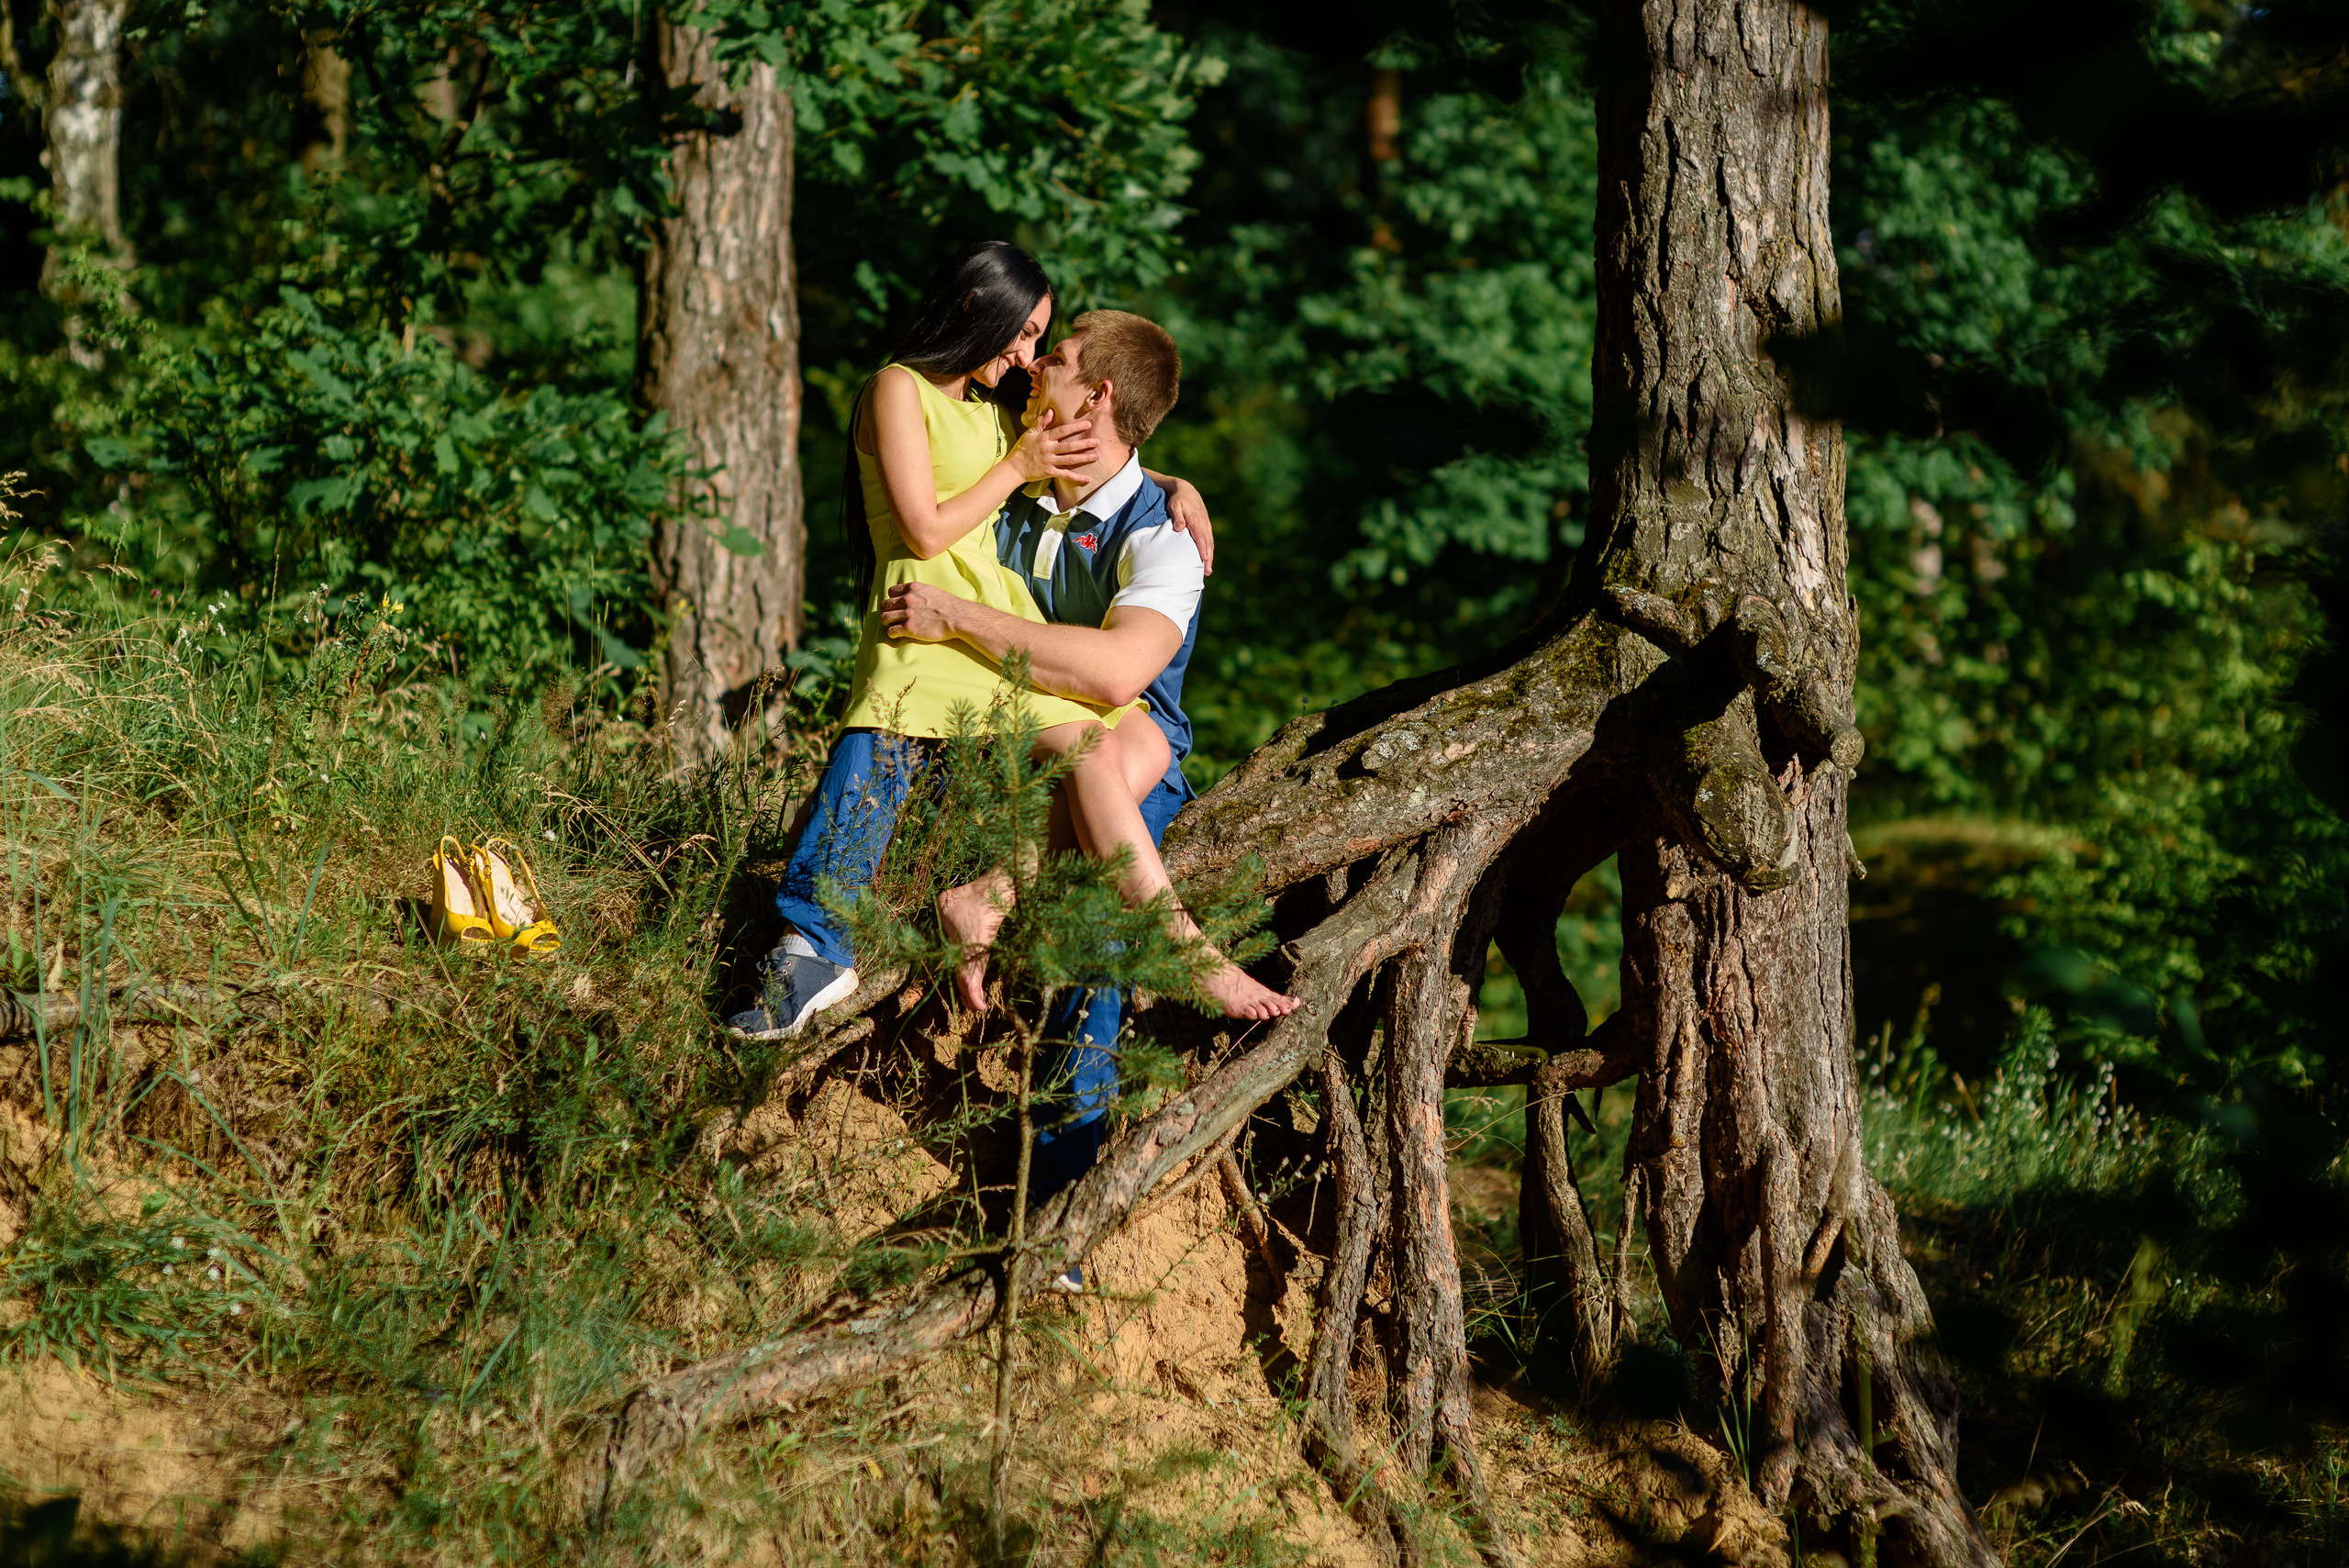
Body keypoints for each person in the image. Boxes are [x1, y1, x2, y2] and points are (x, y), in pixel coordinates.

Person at [730, 247, 1219, 1039]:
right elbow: (926, 525)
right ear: (973, 309)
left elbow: (1103, 445)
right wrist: (1022, 462)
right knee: (893, 712)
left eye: (1042, 344)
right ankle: (815, 940)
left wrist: (1171, 486)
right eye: (1025, 335)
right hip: (935, 622)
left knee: (1126, 753)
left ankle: (1127, 991)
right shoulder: (906, 390)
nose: (1028, 361)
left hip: (1008, 641)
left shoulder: (1008, 419)